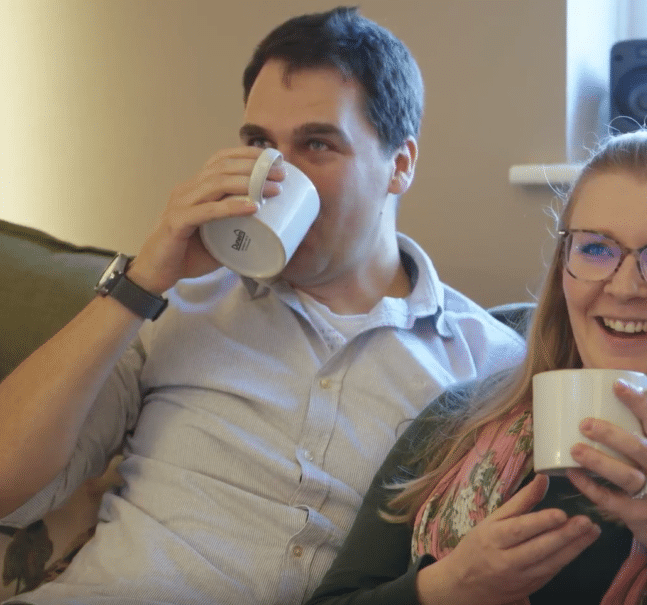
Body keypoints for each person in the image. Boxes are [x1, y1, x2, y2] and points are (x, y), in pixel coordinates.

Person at [0, 7, 524, 604]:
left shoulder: (489, 367)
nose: (273, 178)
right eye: (259, 144)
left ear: (399, 165)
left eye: (317, 144)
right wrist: (142, 279)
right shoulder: (175, 304)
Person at [305, 129, 647, 605]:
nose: (624, 288)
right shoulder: (456, 426)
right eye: (596, 248)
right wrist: (443, 587)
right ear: (563, 266)